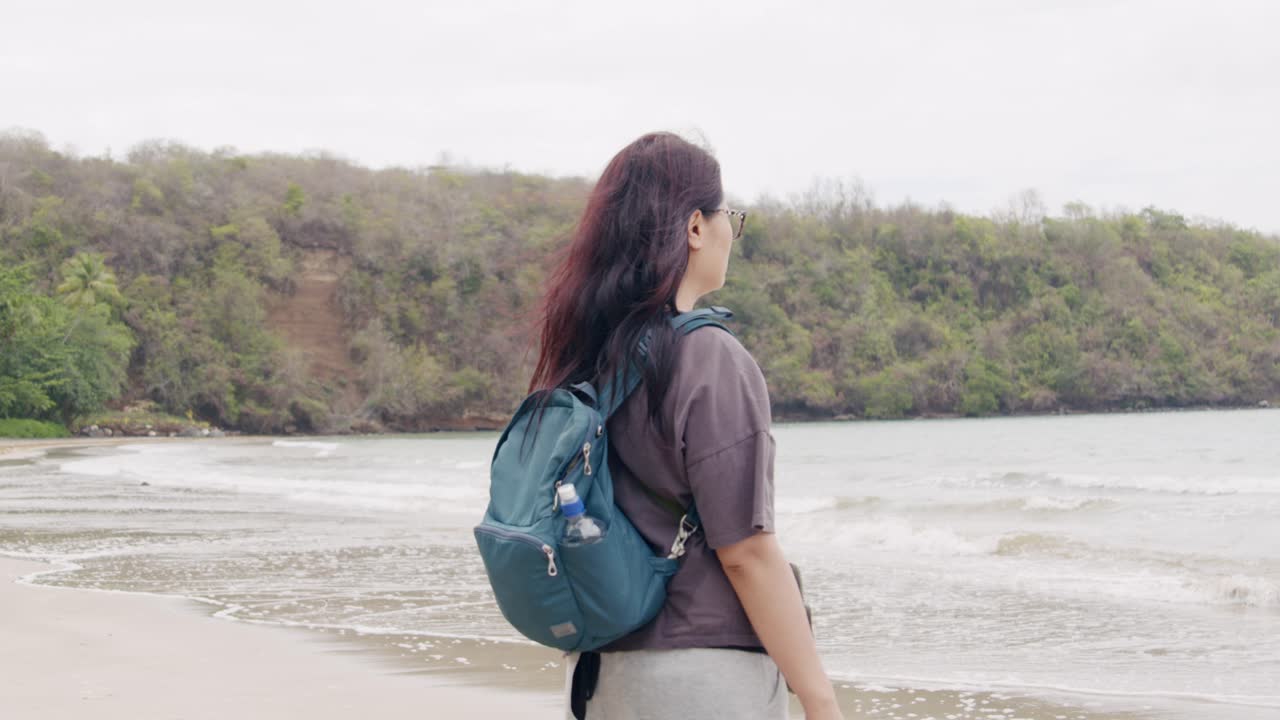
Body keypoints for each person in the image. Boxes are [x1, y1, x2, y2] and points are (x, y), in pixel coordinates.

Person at [526, 131, 844, 720]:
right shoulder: (709, 357)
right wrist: (820, 699)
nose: (731, 234)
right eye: (730, 219)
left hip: (597, 676)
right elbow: (746, 552)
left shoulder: (588, 359)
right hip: (700, 678)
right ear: (696, 227)